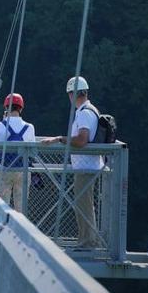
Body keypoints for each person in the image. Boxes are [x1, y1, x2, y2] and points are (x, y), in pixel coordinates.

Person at [41, 76, 104, 249]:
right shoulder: (90, 110)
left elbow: (82, 140)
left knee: (83, 206)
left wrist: (59, 139)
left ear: (72, 94)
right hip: (89, 165)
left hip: (85, 167)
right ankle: (90, 240)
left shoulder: (84, 113)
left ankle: (87, 242)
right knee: (86, 205)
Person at [0, 93, 35, 212]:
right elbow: (32, 151)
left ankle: (2, 228)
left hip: (3, 168)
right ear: (21, 108)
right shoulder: (30, 127)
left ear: (6, 107)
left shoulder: (0, 125)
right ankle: (20, 229)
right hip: (23, 170)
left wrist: (4, 120)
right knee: (21, 209)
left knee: (2, 207)